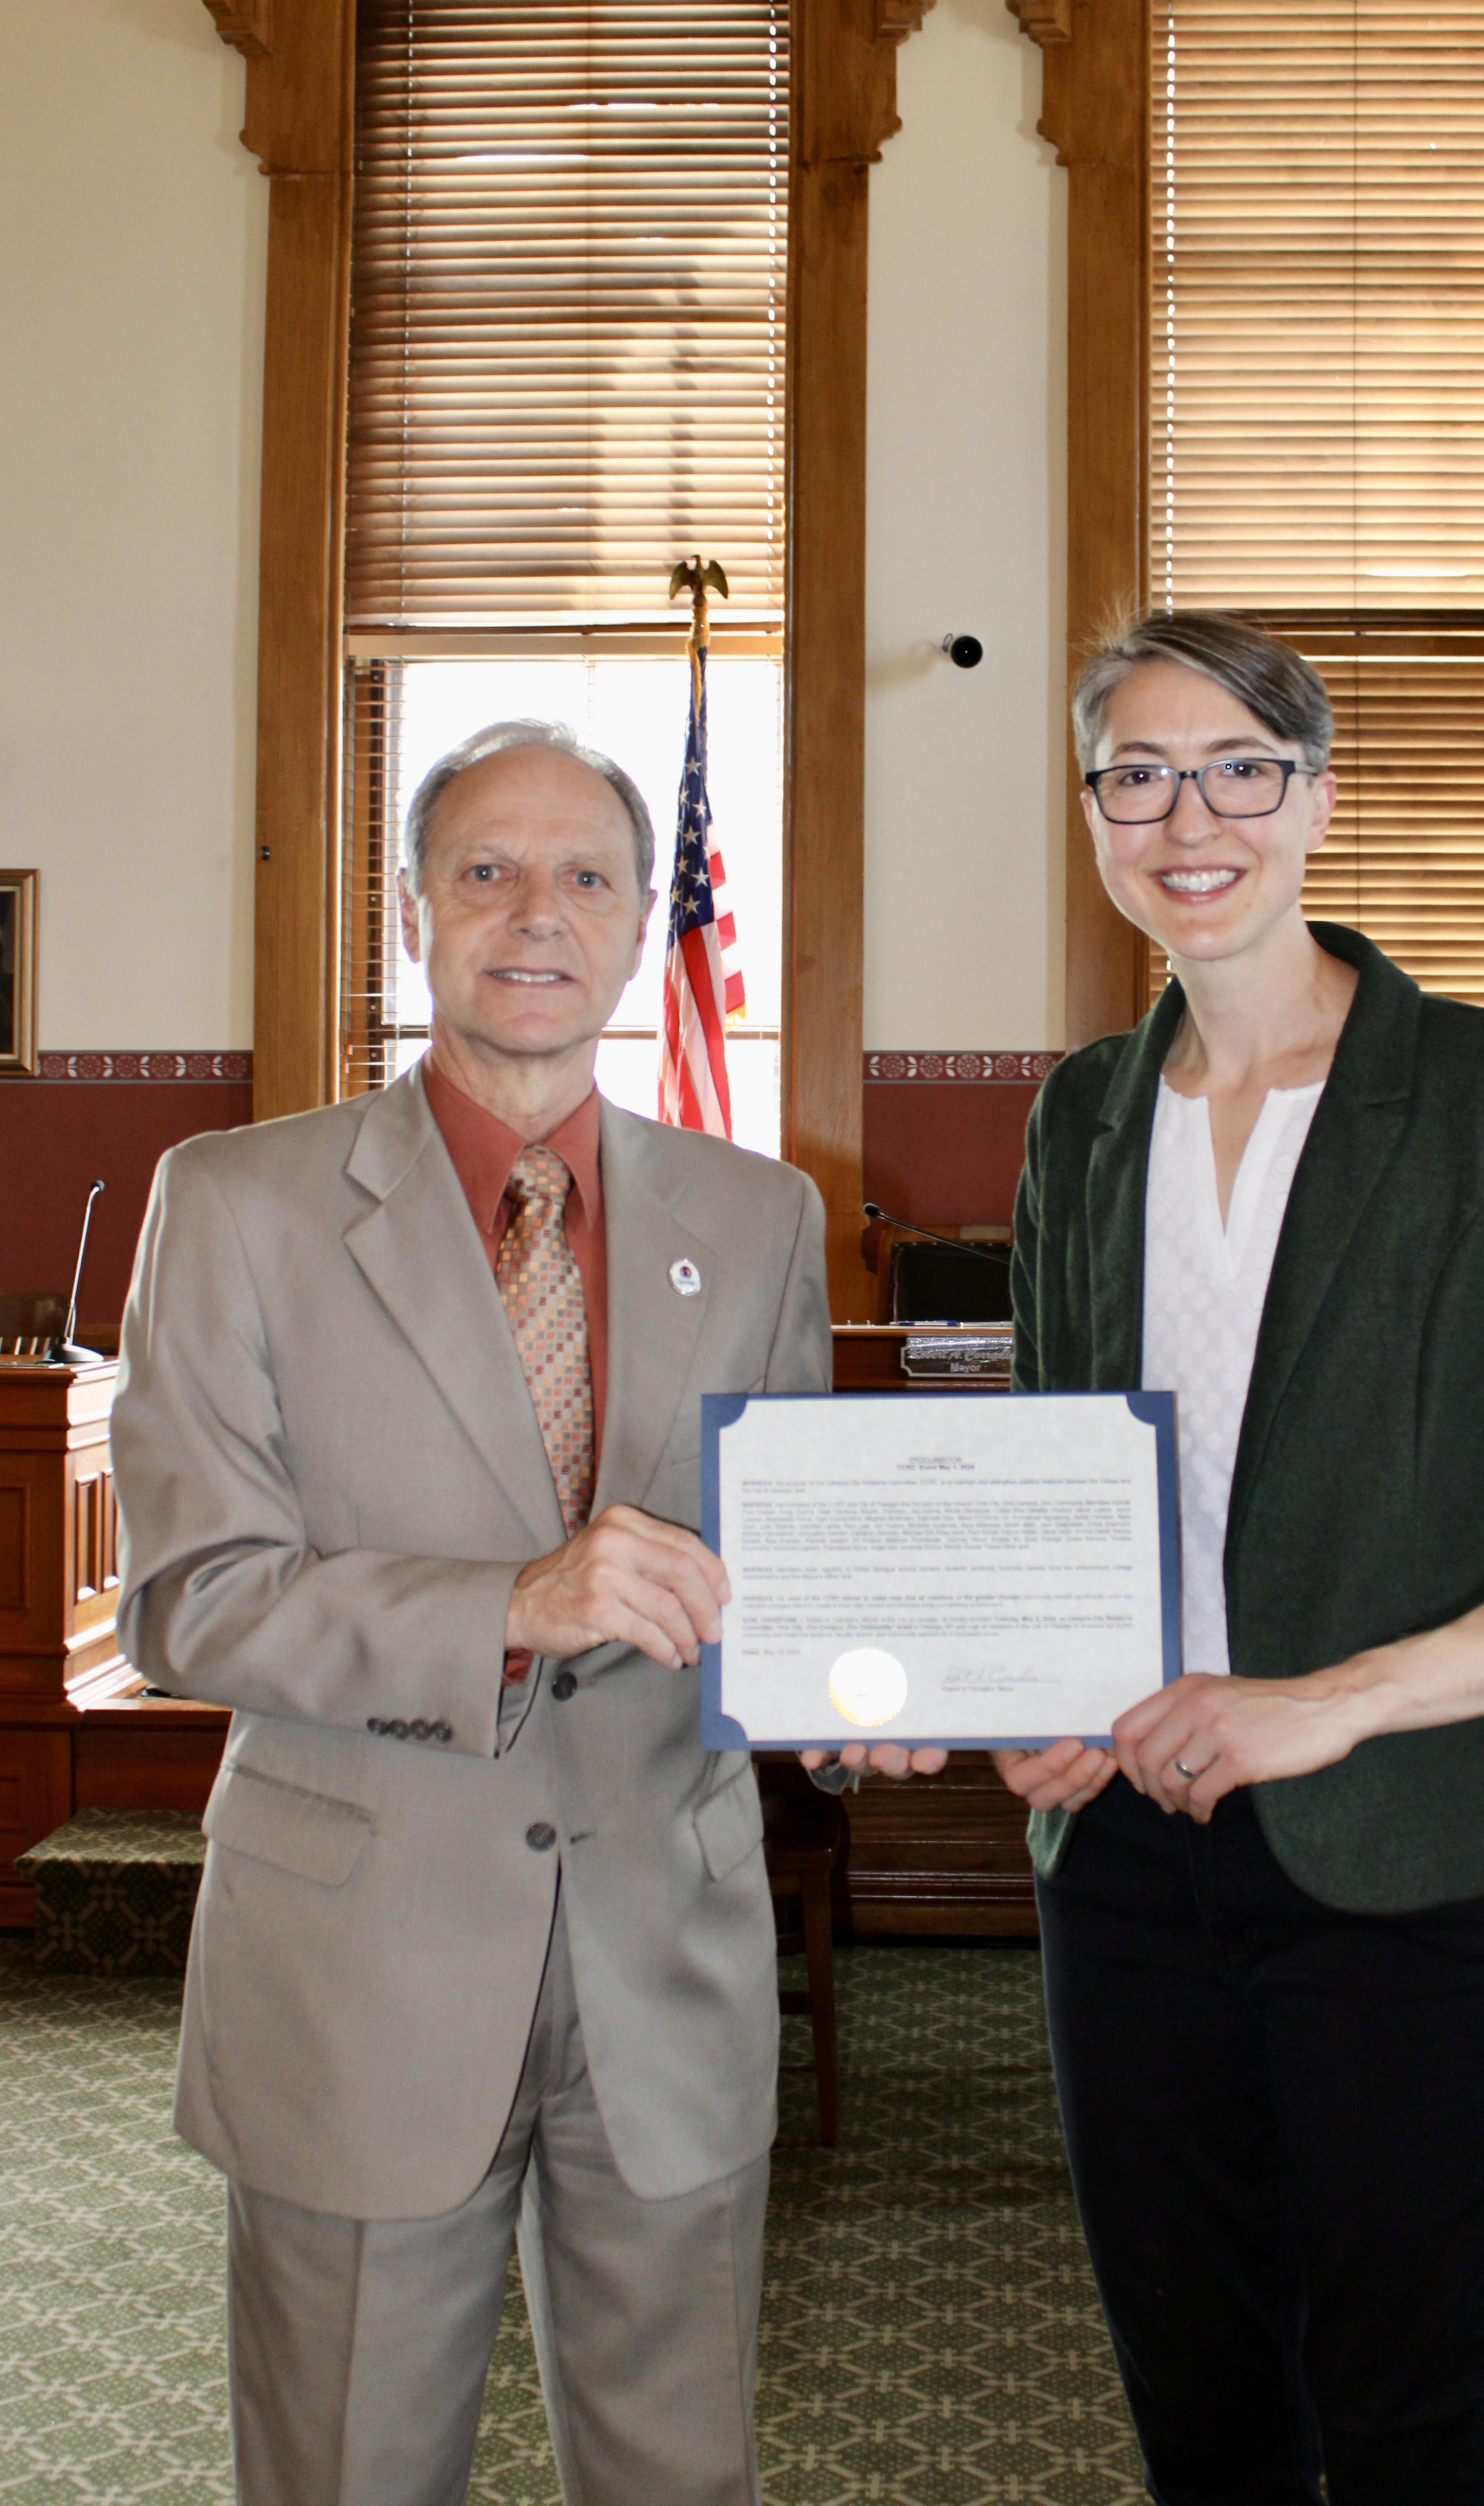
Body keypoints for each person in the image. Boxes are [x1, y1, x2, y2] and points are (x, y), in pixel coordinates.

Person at [993, 615, 1484, 2506]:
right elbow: (1066, 1497)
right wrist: (1024, 1695)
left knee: (1413, 2423)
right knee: (1202, 2418)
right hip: (1129, 1870)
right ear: (1092, 817)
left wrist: (1329, 1704)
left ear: (1315, 798)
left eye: (1240, 766)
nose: (1189, 815)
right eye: (1135, 774)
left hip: (1415, 1865)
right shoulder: (1079, 1117)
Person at [111, 718, 830, 2506]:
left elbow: (786, 1576)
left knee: (684, 2478)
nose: (538, 913)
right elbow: (187, 1601)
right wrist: (510, 1603)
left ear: (643, 911)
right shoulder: (238, 1203)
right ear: (416, 909)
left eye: (587, 874)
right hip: (362, 1968)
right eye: (487, 871)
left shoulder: (759, 1219)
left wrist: (857, 1685)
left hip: (670, 1953)